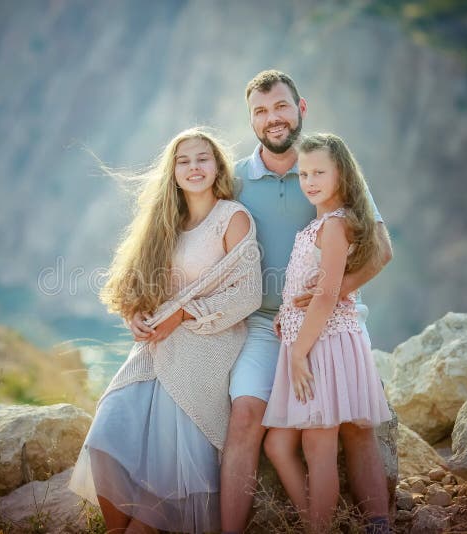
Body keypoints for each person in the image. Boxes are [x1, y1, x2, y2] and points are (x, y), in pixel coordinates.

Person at [128, 70, 393, 533]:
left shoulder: (329, 171)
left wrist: (329, 296)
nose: (273, 119)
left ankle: (378, 521)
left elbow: (381, 251)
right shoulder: (238, 182)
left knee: (353, 422)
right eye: (261, 111)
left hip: (329, 317)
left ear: (301, 108)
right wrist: (144, 300)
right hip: (258, 323)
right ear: (250, 119)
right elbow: (188, 239)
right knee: (246, 414)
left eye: (281, 107)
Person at [68, 127, 262, 533]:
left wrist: (183, 314)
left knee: (165, 462)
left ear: (217, 166)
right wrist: (135, 315)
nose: (194, 167)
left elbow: (247, 295)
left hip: (210, 343)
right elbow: (136, 288)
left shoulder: (232, 218)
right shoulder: (164, 222)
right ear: (173, 171)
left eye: (203, 159)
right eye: (184, 160)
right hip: (159, 343)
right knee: (107, 430)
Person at [262, 132, 392, 532]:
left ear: (343, 174)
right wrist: (285, 315)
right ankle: (322, 519)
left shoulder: (335, 226)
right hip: (309, 339)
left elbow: (327, 294)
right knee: (278, 444)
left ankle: (353, 525)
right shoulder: (318, 224)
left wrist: (299, 353)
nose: (310, 181)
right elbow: (310, 290)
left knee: (320, 448)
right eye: (303, 174)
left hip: (322, 346)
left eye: (319, 172)